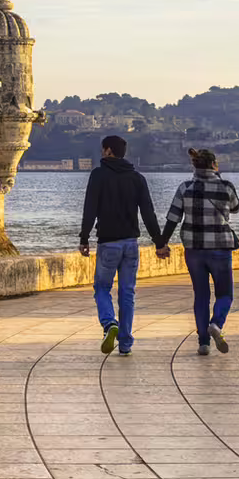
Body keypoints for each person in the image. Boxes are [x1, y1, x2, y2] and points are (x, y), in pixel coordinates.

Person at [79, 134, 162, 356]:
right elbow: (148, 213)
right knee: (127, 292)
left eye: (102, 149)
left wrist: (84, 238)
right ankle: (125, 343)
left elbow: (90, 209)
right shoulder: (137, 178)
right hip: (130, 244)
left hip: (108, 243)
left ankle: (109, 324)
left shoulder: (98, 175)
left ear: (108, 151)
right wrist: (159, 242)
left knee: (102, 288)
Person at [157, 148, 239, 356]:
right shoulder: (225, 186)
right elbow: (236, 207)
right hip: (220, 248)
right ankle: (216, 324)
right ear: (214, 164)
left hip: (194, 250)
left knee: (201, 295)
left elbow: (173, 218)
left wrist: (162, 244)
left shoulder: (185, 188)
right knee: (225, 294)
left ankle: (203, 342)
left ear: (194, 166)